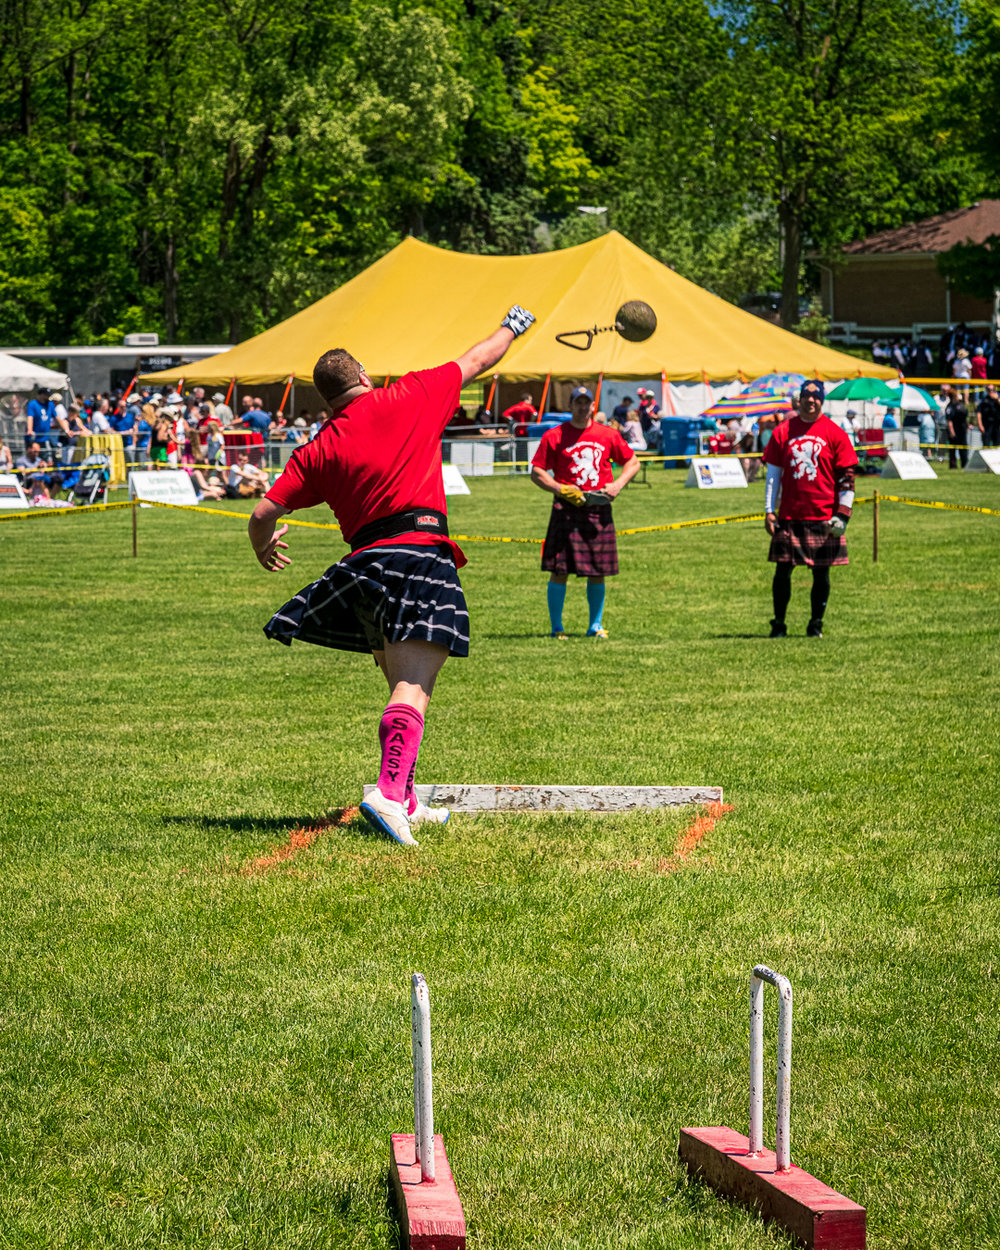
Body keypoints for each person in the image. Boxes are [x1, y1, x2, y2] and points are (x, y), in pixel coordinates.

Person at [248, 304, 537, 847]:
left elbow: (263, 512)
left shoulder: (319, 446)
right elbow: (479, 358)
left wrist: (265, 548)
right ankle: (386, 792)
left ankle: (404, 795)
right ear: (362, 376)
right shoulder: (410, 395)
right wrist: (514, 325)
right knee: (413, 686)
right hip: (418, 558)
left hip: (364, 570)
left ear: (326, 397)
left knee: (398, 680)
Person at [530, 385, 640, 640]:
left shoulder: (608, 434)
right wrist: (560, 489)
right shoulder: (554, 435)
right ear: (570, 406)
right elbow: (537, 471)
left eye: (586, 403)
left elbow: (632, 462)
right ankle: (557, 628)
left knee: (598, 570)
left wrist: (617, 485)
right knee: (559, 569)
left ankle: (595, 626)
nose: (582, 407)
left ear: (593, 406)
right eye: (577, 402)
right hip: (566, 508)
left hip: (598, 507)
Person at [762, 379, 858, 639]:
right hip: (790, 515)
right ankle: (778, 625)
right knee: (782, 571)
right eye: (806, 396)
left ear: (822, 400)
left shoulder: (835, 433)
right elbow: (773, 474)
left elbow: (846, 477)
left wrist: (843, 514)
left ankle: (816, 625)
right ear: (800, 399)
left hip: (824, 516)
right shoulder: (783, 431)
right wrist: (769, 510)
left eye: (816, 398)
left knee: (821, 573)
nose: (811, 401)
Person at [943, 384, 969, 469]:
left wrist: (967, 426)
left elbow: (964, 417)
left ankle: (964, 465)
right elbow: (949, 420)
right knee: (953, 449)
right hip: (955, 430)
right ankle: (953, 466)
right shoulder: (950, 407)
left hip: (962, 429)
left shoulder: (960, 405)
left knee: (963, 448)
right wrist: (952, 431)